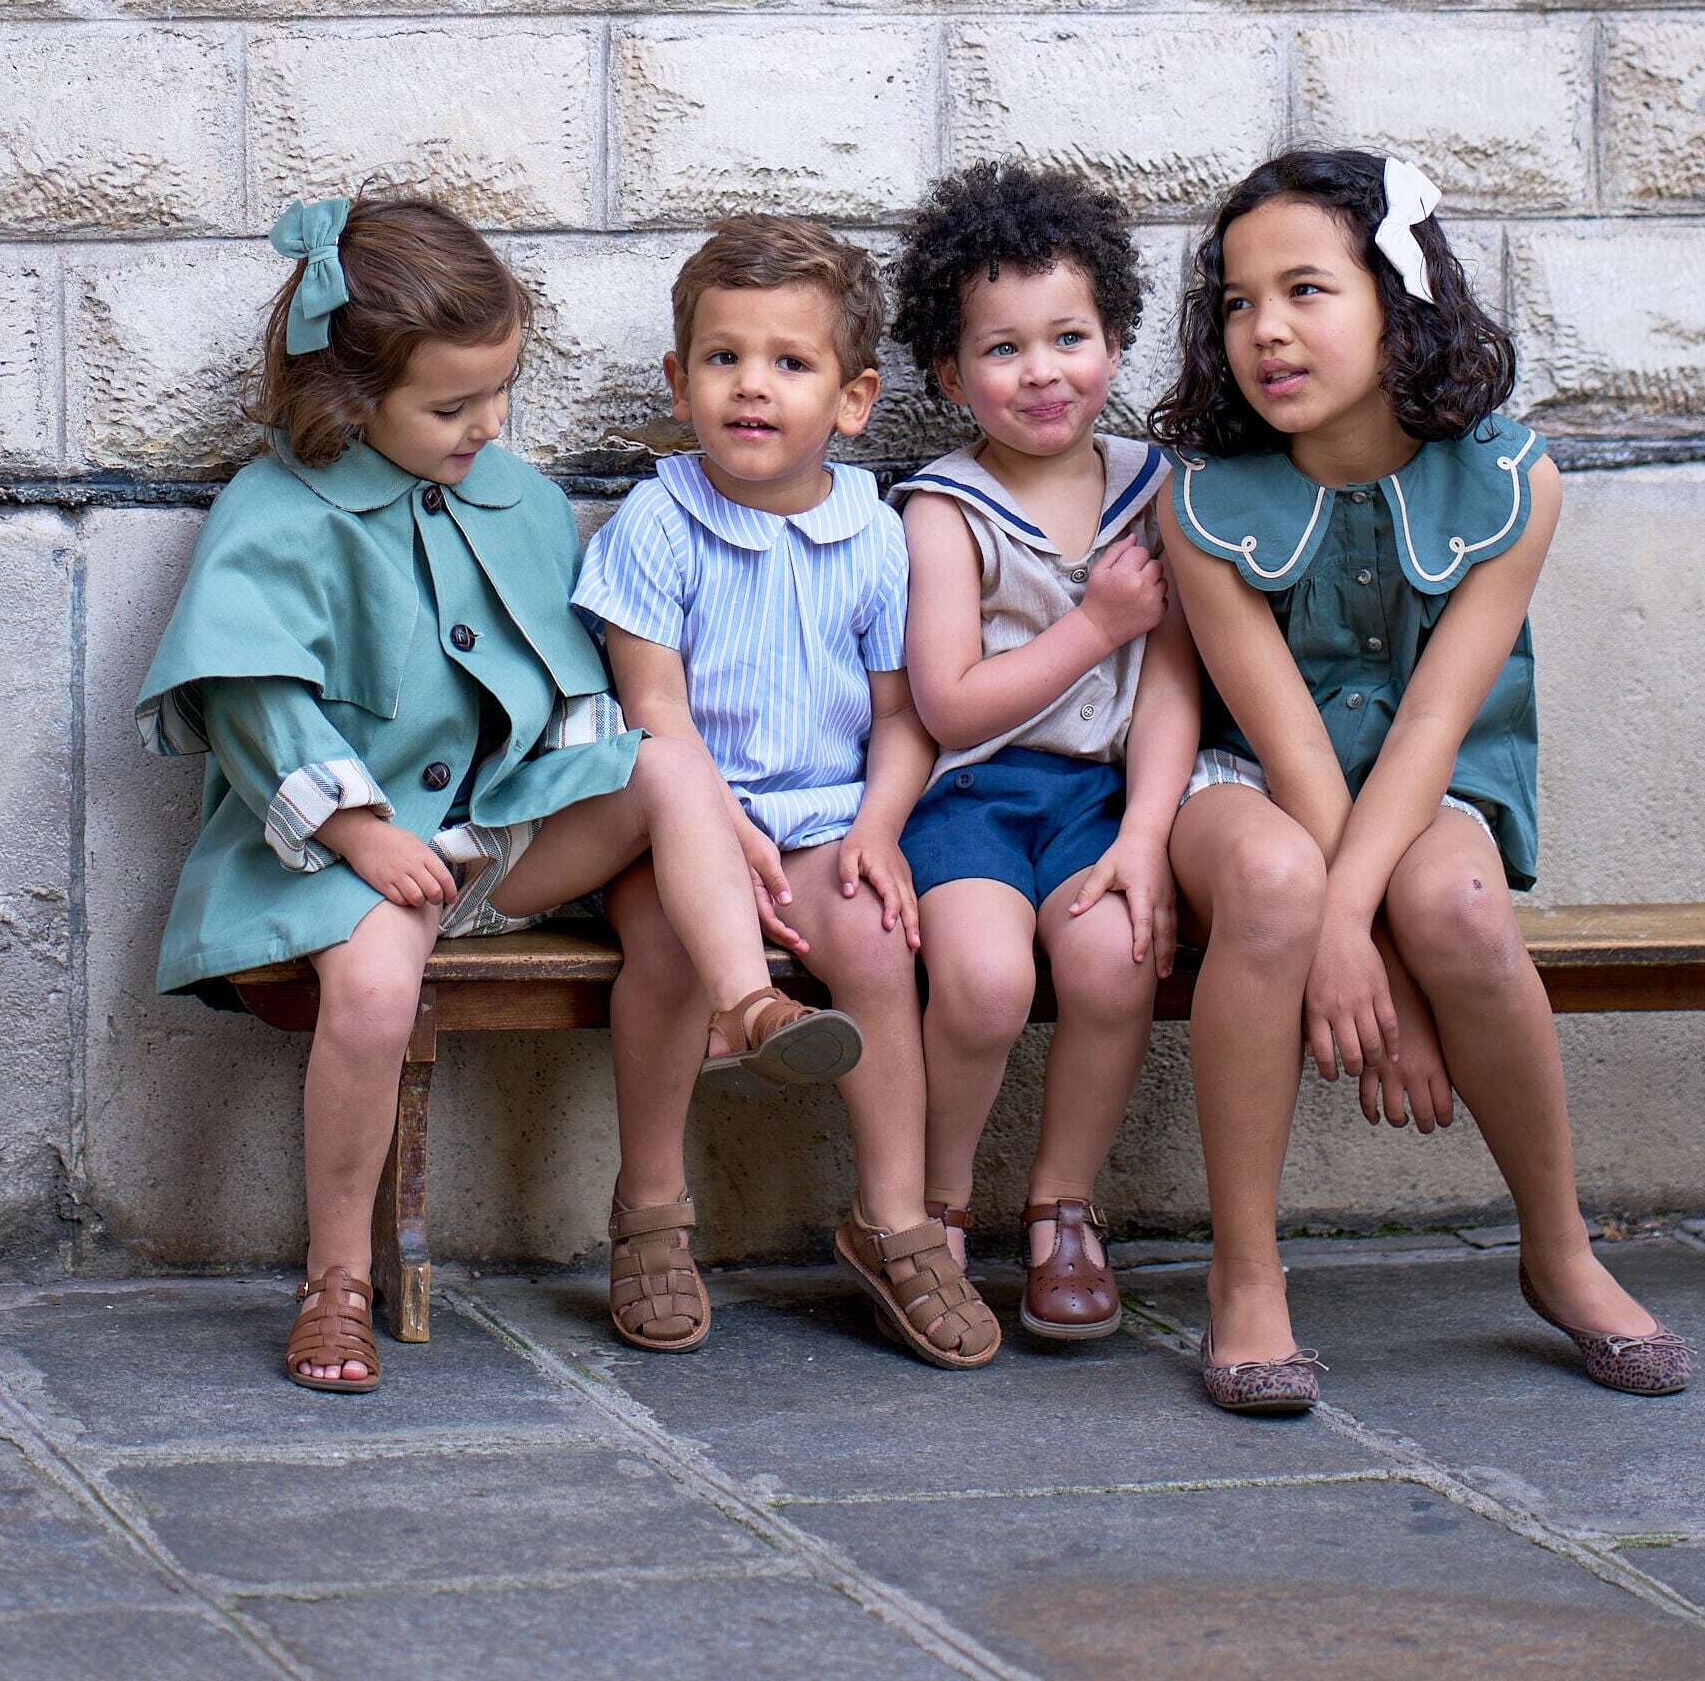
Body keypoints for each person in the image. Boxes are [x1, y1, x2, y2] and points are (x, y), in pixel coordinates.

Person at [137, 194, 859, 1397]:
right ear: (349, 398)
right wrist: (361, 833)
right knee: (375, 992)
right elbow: (254, 700)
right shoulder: (280, 511)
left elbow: (575, 688)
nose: (488, 425)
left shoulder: (512, 498)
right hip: (344, 856)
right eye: (451, 407)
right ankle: (335, 1281)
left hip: (495, 838)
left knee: (669, 763)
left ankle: (750, 1006)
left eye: (500, 392)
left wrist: (664, 808)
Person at [1157, 146, 1693, 1413]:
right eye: (1237, 303)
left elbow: (1437, 726)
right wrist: (1352, 943)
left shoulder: (1512, 480)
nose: (1265, 330)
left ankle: (1559, 1252)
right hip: (1252, 779)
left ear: (1401, 298)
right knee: (1277, 884)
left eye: (1306, 290)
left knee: (1454, 903)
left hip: (1431, 779)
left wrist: (1371, 931)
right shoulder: (1202, 503)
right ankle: (1246, 1277)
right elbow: (1289, 745)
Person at [578, 213, 1002, 1370]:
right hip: (674, 826)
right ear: (680, 382)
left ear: (853, 401)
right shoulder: (659, 522)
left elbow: (903, 717)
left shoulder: (874, 535)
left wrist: (879, 829)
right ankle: (651, 1206)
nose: (752, 386)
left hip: (820, 821)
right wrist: (719, 830)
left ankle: (896, 1220)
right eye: (723, 358)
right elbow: (653, 713)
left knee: (873, 937)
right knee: (667, 949)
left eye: (789, 362)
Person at [889, 163, 1199, 1342]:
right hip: (970, 797)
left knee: (1117, 960)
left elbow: (1171, 684)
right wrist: (1095, 625)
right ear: (949, 374)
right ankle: (931, 1207)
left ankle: (1065, 1207)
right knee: (983, 981)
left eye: (1069, 338)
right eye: (1002, 349)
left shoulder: (1157, 490)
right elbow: (951, 707)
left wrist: (1147, 836)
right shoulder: (944, 509)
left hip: (1104, 798)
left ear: (1115, 340)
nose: (1041, 372)